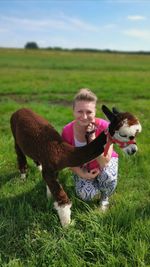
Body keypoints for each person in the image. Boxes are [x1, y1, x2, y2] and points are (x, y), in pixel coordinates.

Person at [62, 88, 118, 211]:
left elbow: (104, 162)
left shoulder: (105, 127)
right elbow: (67, 159)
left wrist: (92, 139)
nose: (84, 116)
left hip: (103, 163)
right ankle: (94, 186)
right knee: (86, 195)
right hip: (83, 166)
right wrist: (81, 173)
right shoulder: (67, 131)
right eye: (79, 111)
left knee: (107, 175)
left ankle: (105, 196)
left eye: (89, 112)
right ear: (73, 111)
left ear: (95, 112)